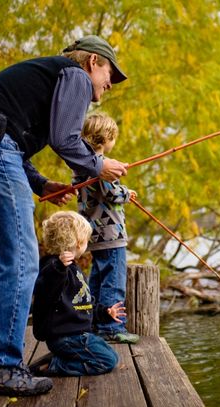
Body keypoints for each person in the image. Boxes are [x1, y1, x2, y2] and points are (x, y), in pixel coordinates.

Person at [0, 35, 128, 396]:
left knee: (3, 260)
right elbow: (65, 138)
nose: (110, 83)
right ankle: (0, 366)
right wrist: (99, 165)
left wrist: (41, 185)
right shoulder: (73, 75)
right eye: (109, 72)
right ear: (92, 62)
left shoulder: (46, 79)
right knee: (19, 262)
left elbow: (10, 138)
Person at [30, 211, 121, 376]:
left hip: (78, 335)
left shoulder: (74, 269)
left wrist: (105, 312)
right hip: (65, 337)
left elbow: (85, 302)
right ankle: (55, 365)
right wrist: (58, 268)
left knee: (113, 355)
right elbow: (45, 289)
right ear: (79, 243)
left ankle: (56, 359)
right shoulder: (52, 268)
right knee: (107, 361)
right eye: (86, 240)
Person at [74, 113, 139, 344]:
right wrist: (127, 194)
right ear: (107, 138)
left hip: (93, 233)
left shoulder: (81, 166)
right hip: (111, 234)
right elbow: (110, 192)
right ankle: (111, 327)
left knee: (97, 279)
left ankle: (93, 321)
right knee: (113, 281)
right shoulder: (103, 167)